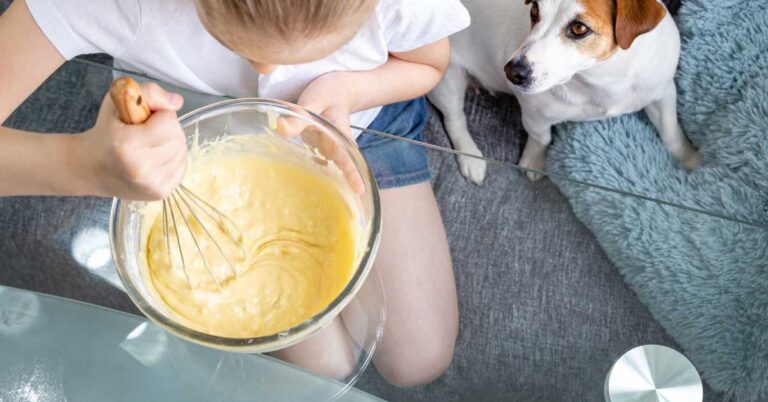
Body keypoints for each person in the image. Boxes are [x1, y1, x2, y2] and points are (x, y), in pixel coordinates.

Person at [0, 0, 468, 386]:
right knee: (326, 371)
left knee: (418, 362)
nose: (271, 68)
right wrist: (83, 165)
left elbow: (428, 62)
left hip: (364, 126)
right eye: (237, 43)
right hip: (197, 151)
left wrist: (348, 88)